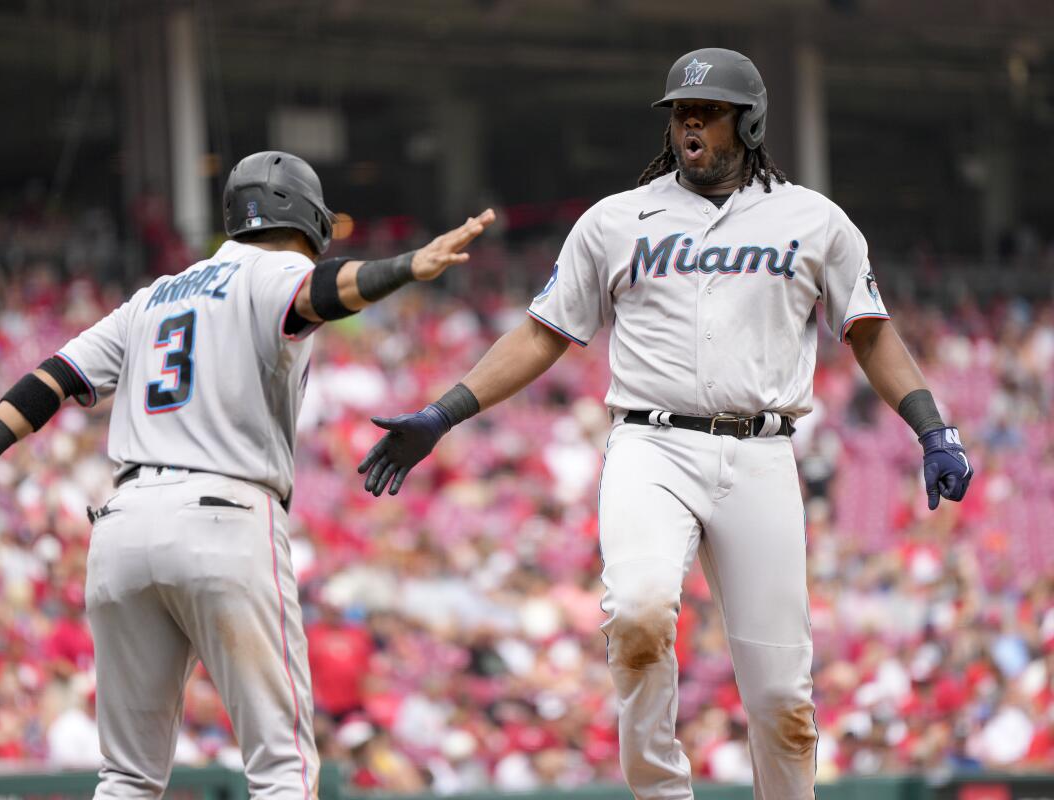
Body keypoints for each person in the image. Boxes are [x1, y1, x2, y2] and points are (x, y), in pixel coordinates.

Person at [356, 48, 973, 800]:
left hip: (761, 455)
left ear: (748, 123)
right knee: (640, 612)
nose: (689, 125)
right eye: (681, 111)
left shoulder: (815, 220)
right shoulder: (615, 219)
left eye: (707, 112)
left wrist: (932, 427)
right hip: (651, 444)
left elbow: (870, 332)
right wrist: (442, 412)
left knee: (783, 698)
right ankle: (659, 792)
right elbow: (543, 332)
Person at [0, 150, 494, 798]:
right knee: (284, 770)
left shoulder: (152, 297)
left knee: (127, 777)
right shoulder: (279, 269)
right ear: (310, 221)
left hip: (122, 527)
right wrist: (405, 267)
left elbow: (48, 380)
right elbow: (318, 293)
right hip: (224, 517)